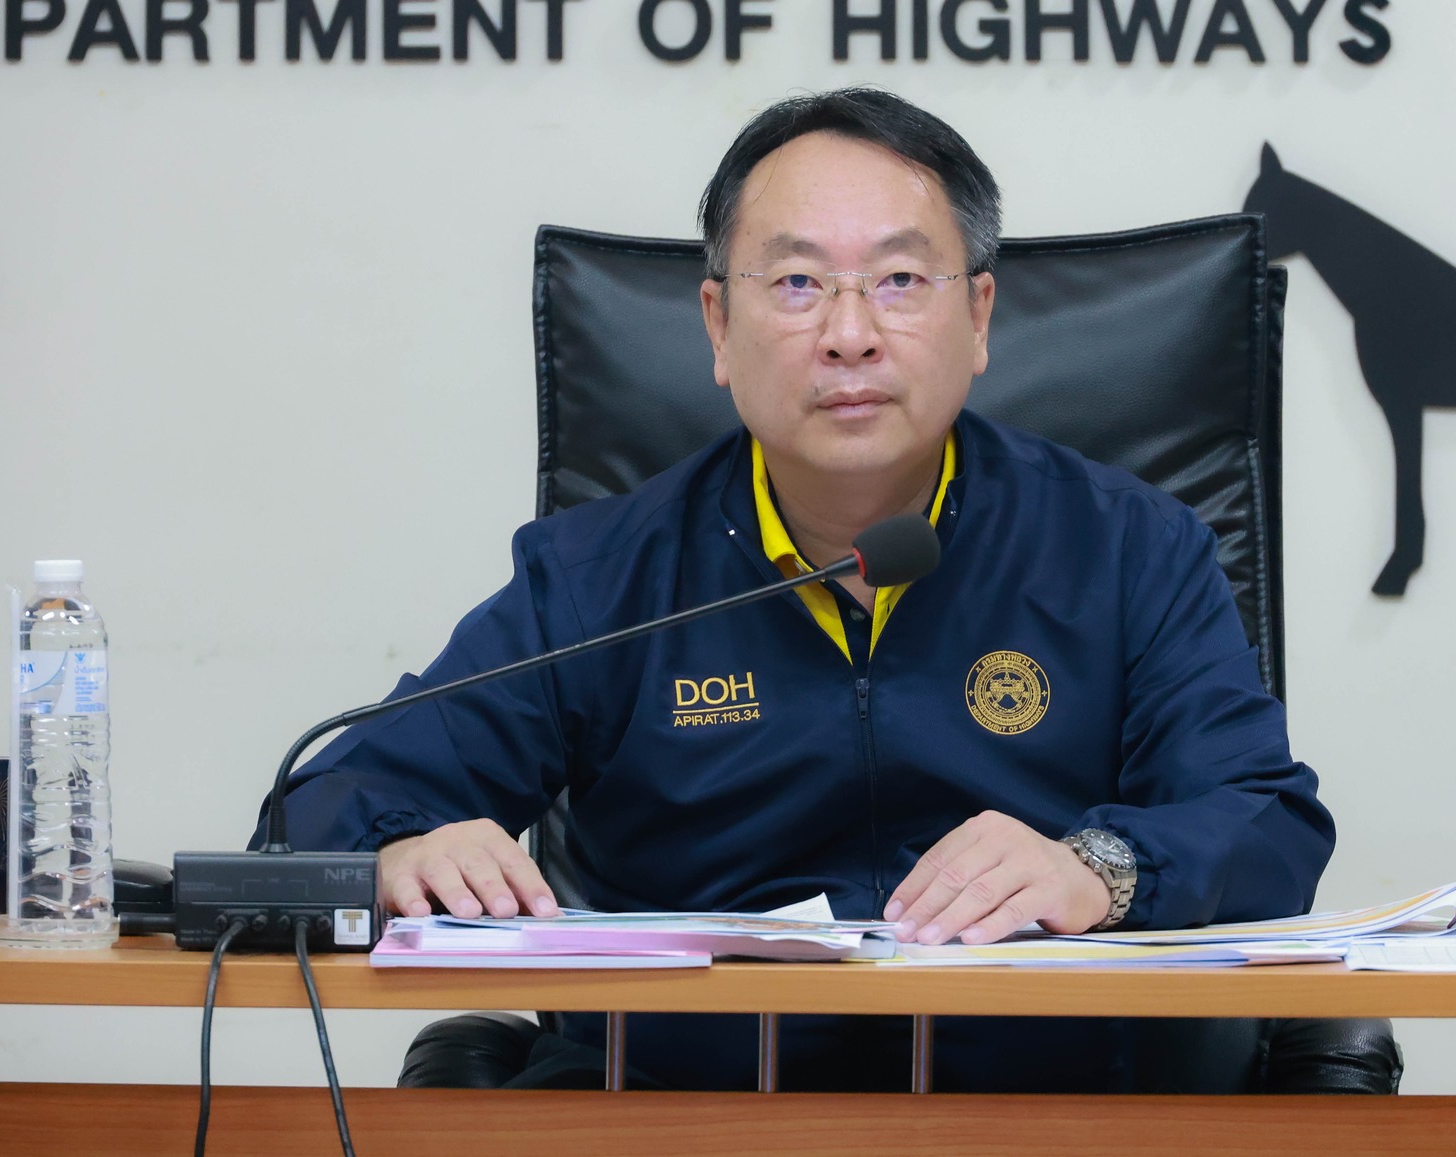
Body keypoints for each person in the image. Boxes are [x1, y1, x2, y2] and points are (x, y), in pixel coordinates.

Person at [258, 87, 1337, 1093]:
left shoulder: (1126, 549)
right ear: (718, 327)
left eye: (900, 281)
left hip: (1048, 1116)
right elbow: (320, 808)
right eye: (796, 284)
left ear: (979, 316)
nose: (849, 334)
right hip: (683, 1119)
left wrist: (1100, 869)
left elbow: (1268, 822)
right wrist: (398, 851)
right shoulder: (603, 578)